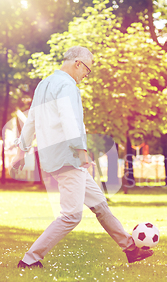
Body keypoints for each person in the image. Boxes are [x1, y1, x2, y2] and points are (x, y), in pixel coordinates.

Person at [11, 46, 153, 268]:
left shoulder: (44, 84)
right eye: (87, 70)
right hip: (69, 158)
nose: (86, 76)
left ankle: (130, 249)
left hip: (55, 158)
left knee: (99, 205)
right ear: (77, 63)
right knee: (71, 216)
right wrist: (82, 152)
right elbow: (70, 121)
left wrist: (22, 150)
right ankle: (30, 259)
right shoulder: (68, 86)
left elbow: (31, 121)